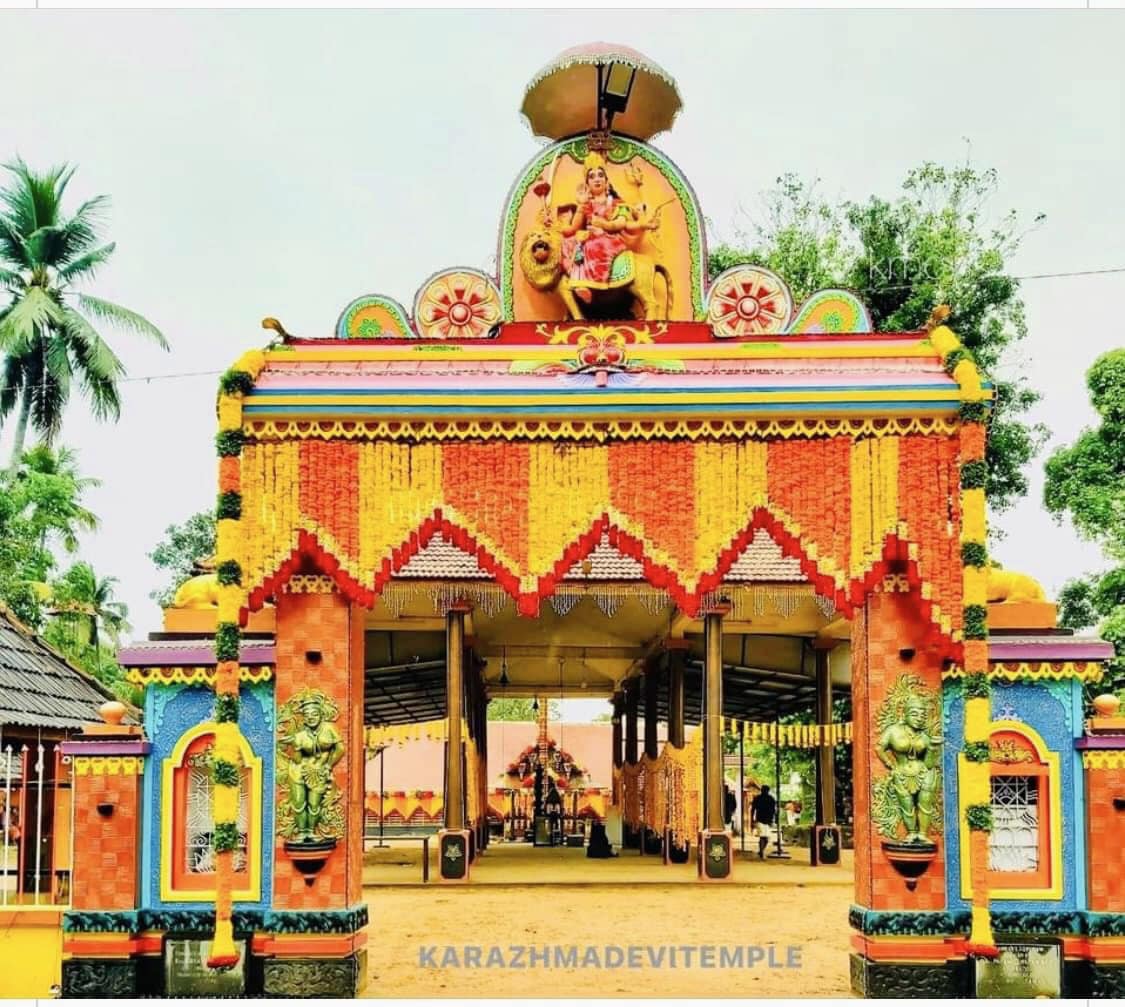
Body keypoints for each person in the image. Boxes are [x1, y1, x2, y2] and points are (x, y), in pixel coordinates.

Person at [558, 152, 657, 303]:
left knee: (595, 245)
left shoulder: (616, 203)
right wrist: (580, 204)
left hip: (610, 239)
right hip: (589, 237)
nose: (597, 179)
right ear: (587, 184)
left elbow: (621, 224)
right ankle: (578, 282)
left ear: (607, 181)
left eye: (600, 175)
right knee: (569, 243)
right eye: (592, 177)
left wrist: (604, 225)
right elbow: (572, 228)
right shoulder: (586, 204)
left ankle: (596, 283)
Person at [750, 784, 778, 860]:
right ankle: (761, 851)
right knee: (763, 837)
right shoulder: (770, 798)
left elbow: (752, 810)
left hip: (763, 820)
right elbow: (774, 811)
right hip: (764, 820)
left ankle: (761, 851)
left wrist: (752, 819)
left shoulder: (759, 798)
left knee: (765, 837)